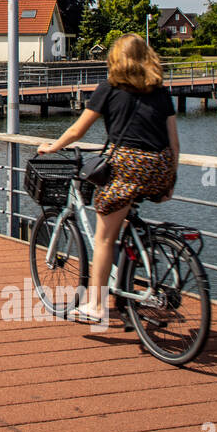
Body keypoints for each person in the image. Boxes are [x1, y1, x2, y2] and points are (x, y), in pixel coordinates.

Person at [36, 33, 180, 324]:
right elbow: (174, 143)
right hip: (159, 166)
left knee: (103, 238)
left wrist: (53, 147)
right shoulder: (160, 92)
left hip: (127, 166)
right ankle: (133, 270)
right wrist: (170, 181)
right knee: (124, 221)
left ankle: (96, 307)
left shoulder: (109, 88)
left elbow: (78, 131)